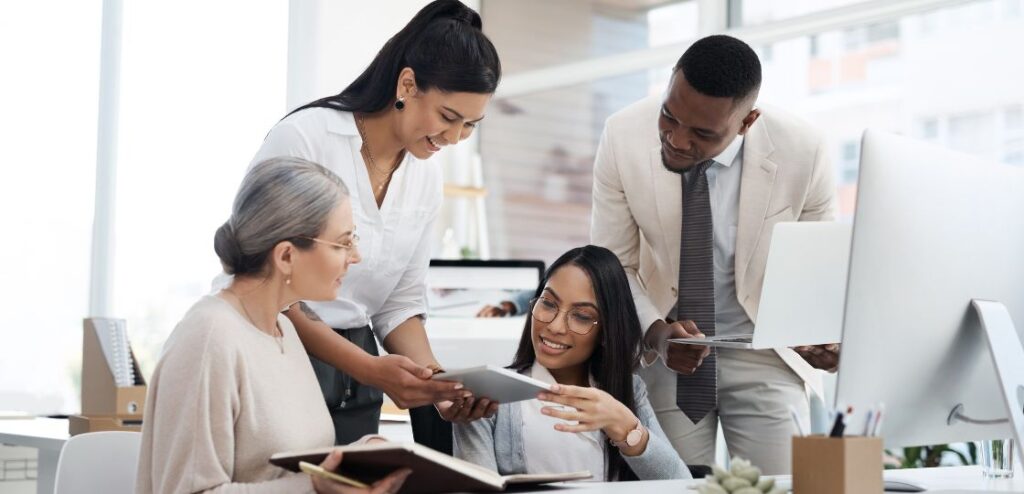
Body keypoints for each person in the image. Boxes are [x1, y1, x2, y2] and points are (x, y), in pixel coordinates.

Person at [243, 0, 502, 445]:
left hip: (355, 387)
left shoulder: (426, 174)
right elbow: (262, 281)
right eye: (447, 117)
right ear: (408, 84)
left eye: (470, 126)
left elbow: (398, 304)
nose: (455, 138)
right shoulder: (307, 138)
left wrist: (437, 385)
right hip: (277, 360)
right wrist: (368, 368)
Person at [590, 35, 840, 474]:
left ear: (748, 122)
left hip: (763, 345)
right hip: (669, 348)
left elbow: (817, 269)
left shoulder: (805, 150)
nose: (678, 139)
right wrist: (656, 333)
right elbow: (614, 263)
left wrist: (821, 334)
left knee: (782, 484)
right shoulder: (622, 135)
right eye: (669, 116)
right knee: (672, 481)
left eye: (703, 133)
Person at [138, 157, 411, 493]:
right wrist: (314, 488)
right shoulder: (210, 338)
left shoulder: (282, 328)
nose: (355, 257)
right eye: (342, 243)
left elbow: (282, 465)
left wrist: (358, 457)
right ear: (286, 256)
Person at [454, 246, 690, 481]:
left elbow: (683, 485)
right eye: (548, 303)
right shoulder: (488, 395)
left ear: (608, 331)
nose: (555, 327)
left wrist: (625, 426)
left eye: (582, 316)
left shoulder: (629, 390)